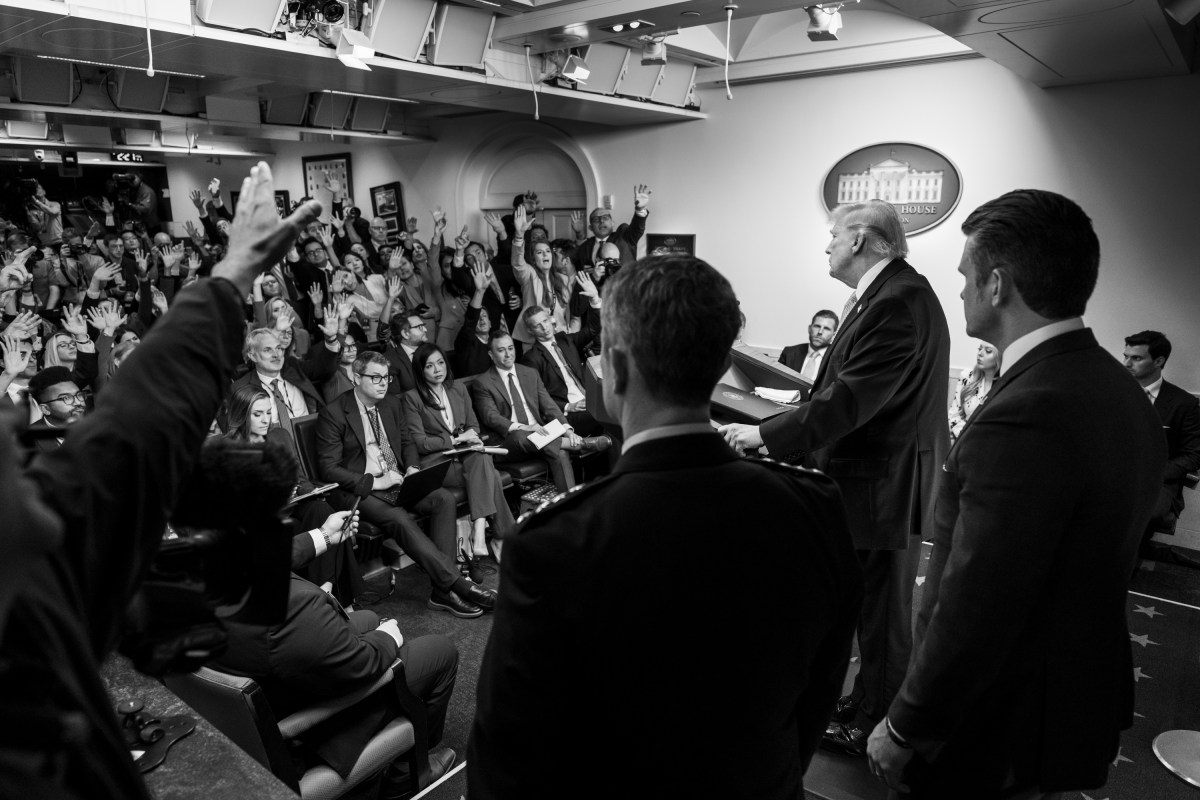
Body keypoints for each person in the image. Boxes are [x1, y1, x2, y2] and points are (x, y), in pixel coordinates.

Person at [469, 255, 863, 799]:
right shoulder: (813, 506)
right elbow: (819, 689)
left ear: (619, 370)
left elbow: (508, 758)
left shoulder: (554, 542)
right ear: (722, 364)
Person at [0, 161, 322, 800]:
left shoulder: (30, 577)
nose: (20, 434)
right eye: (6, 440)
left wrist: (233, 274)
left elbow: (129, 430)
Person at [866, 189, 1164, 800]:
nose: (960, 292)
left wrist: (905, 724)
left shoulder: (1030, 409)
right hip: (1062, 698)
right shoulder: (1112, 385)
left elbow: (980, 600)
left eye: (964, 277)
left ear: (997, 284)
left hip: (992, 724)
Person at [720, 199, 951, 757]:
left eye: (833, 235)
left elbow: (850, 400)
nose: (826, 245)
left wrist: (765, 433)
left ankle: (876, 719)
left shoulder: (897, 301)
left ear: (863, 240)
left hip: (882, 482)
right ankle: (871, 697)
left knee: (881, 615)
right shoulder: (887, 294)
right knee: (871, 606)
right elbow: (839, 389)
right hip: (877, 477)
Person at [315, 350, 497, 619]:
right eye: (375, 377)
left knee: (443, 499)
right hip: (362, 490)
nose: (382, 383)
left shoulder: (391, 404)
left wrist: (412, 467)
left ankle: (441, 590)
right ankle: (456, 583)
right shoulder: (334, 413)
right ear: (356, 377)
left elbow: (408, 442)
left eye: (386, 377)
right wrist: (375, 482)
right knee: (399, 518)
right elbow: (328, 468)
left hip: (397, 480)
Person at [223, 383, 367, 603]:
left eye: (269, 412)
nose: (266, 419)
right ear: (241, 415)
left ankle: (327, 592)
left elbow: (300, 480)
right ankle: (340, 600)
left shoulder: (280, 436)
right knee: (325, 520)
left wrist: (311, 491)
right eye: (258, 414)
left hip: (293, 507)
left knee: (321, 508)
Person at [402, 343, 515, 557]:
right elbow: (419, 442)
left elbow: (473, 425)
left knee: (481, 460)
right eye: (430, 366)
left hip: (466, 455)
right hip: (438, 462)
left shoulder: (458, 389)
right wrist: (455, 439)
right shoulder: (412, 398)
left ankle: (480, 534)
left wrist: (471, 439)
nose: (438, 369)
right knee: (490, 474)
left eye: (441, 362)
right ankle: (497, 536)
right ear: (420, 370)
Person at [1122, 330, 1200, 558]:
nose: (1126, 363)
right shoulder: (1112, 392)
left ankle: (1129, 565)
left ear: (1159, 361)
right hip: (1111, 473)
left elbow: (1194, 455)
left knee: (1142, 514)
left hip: (1157, 480)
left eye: (1136, 358)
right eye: (1125, 355)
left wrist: (1151, 474)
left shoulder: (1183, 403)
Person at [468, 330, 576, 493]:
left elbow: (549, 406)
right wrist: (523, 427)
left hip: (541, 437)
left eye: (510, 348)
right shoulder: (482, 382)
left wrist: (568, 432)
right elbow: (491, 417)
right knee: (520, 436)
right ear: (491, 354)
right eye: (501, 350)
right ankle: (579, 445)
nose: (508, 354)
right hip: (510, 442)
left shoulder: (529, 373)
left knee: (560, 453)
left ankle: (571, 502)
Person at [575, 185, 652, 271]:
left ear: (612, 223)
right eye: (596, 220)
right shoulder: (585, 247)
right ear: (590, 227)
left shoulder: (624, 237)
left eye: (605, 218)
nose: (601, 221)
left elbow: (637, 229)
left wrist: (640, 209)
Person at [947, 342, 998, 442]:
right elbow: (954, 415)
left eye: (988, 351)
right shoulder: (967, 376)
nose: (980, 353)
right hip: (963, 439)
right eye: (979, 349)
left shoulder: (1005, 383)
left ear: (1000, 357)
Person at [779, 309, 839, 381]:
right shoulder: (789, 353)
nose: (820, 332)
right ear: (809, 329)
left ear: (834, 334)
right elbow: (776, 381)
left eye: (826, 328)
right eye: (817, 326)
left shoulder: (838, 359)